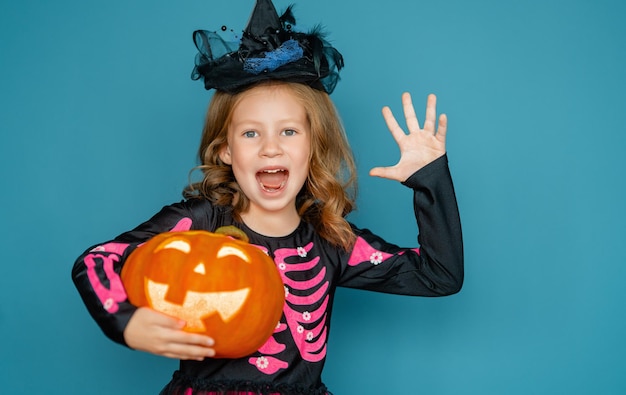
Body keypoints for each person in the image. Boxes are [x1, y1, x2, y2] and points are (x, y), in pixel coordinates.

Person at [71, 0, 463, 394]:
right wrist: (124, 319)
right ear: (226, 150)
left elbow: (438, 275)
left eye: (289, 132)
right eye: (251, 133)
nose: (270, 148)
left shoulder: (332, 241)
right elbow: (98, 260)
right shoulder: (199, 222)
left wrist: (429, 181)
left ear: (314, 146)